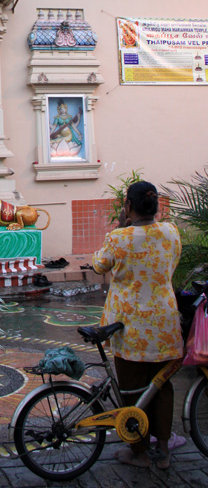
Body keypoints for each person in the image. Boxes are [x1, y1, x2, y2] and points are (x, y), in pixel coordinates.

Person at [93, 181, 183, 470]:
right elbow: (172, 262)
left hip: (129, 327)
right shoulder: (170, 232)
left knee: (131, 389)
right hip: (165, 323)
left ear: (128, 207)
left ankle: (139, 452)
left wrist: (121, 227)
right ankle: (164, 451)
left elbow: (99, 264)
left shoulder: (120, 238)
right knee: (162, 387)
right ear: (156, 206)